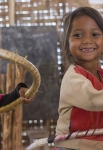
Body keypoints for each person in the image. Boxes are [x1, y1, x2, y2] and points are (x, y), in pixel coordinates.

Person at [54, 7, 103, 150]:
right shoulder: (73, 77)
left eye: (95, 34)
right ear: (67, 43)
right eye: (78, 35)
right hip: (73, 145)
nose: (87, 40)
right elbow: (92, 100)